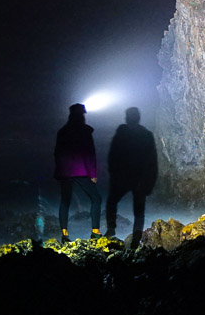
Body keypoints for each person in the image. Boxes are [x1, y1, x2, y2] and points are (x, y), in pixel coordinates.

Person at [106, 106, 158, 246]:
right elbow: (152, 161)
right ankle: (136, 237)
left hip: (123, 178)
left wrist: (113, 174)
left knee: (112, 202)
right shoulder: (146, 135)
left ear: (127, 118)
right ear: (138, 118)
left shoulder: (122, 133)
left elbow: (113, 155)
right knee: (138, 210)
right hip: (138, 179)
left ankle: (111, 230)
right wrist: (150, 182)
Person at [54, 103, 101, 242]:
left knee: (65, 201)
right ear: (82, 115)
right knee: (96, 198)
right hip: (80, 171)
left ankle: (64, 234)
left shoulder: (62, 131)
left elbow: (57, 153)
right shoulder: (85, 131)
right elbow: (89, 153)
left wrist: (59, 171)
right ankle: (95, 232)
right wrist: (92, 174)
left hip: (65, 172)